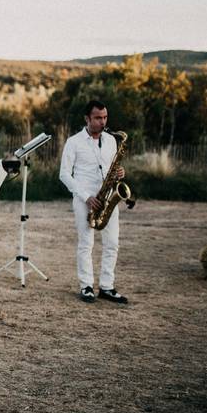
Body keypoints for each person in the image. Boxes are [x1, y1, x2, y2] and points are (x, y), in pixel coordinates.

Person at [59, 100, 128, 304]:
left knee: (112, 243)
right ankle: (86, 286)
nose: (103, 122)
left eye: (105, 117)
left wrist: (119, 174)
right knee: (86, 243)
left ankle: (107, 287)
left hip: (107, 198)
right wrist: (85, 196)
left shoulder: (111, 140)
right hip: (84, 199)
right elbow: (64, 174)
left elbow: (110, 168)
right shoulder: (73, 142)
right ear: (87, 118)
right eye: (98, 118)